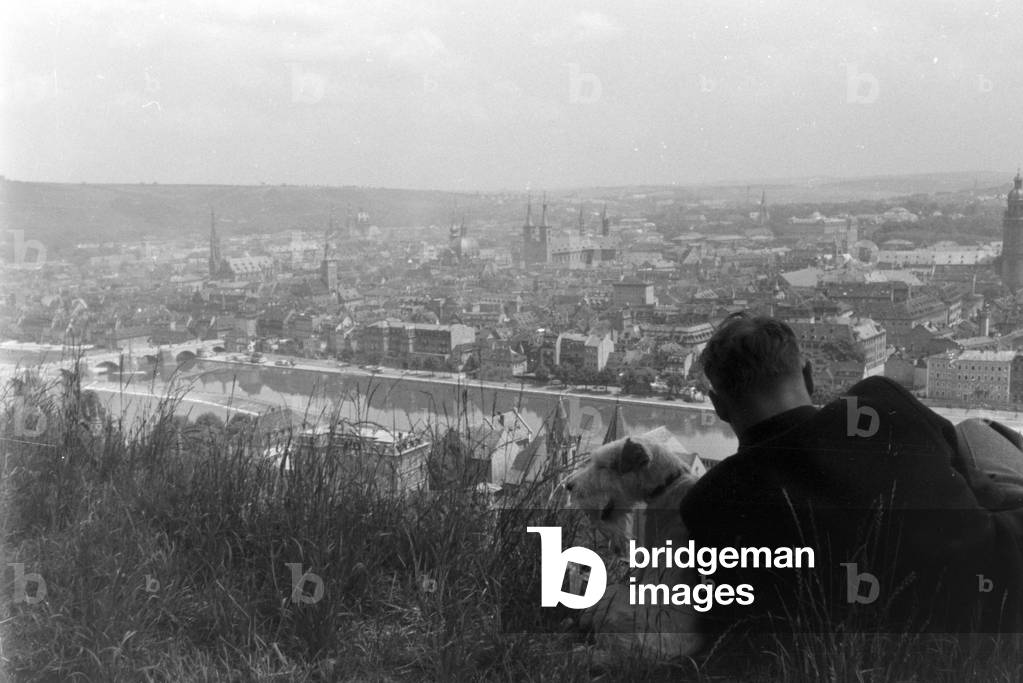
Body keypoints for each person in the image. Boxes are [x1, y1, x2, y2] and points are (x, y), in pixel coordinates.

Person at [678, 312, 1023, 641]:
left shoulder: (706, 502)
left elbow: (728, 615)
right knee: (977, 429)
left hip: (908, 634)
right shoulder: (879, 402)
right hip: (997, 594)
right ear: (810, 375)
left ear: (719, 406)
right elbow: (978, 487)